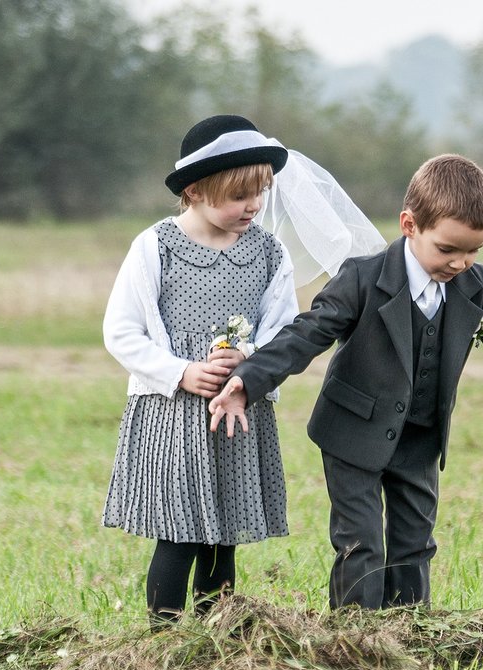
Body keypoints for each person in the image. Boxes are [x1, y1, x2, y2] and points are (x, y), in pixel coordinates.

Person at [209, 154, 483, 610]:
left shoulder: (476, 286)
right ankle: (355, 642)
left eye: (474, 251)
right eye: (448, 249)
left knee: (414, 547)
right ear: (410, 224)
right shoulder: (362, 277)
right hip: (352, 433)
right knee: (362, 547)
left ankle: (411, 638)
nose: (460, 263)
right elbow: (306, 334)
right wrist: (247, 380)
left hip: (420, 438)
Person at [102, 114, 383, 623]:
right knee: (179, 535)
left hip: (235, 414)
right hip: (173, 415)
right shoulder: (156, 247)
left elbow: (283, 329)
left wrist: (249, 362)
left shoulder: (268, 253)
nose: (253, 205)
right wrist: (179, 372)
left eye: (261, 192)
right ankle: (162, 640)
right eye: (239, 195)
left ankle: (215, 635)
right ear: (194, 191)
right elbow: (121, 331)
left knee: (225, 533)